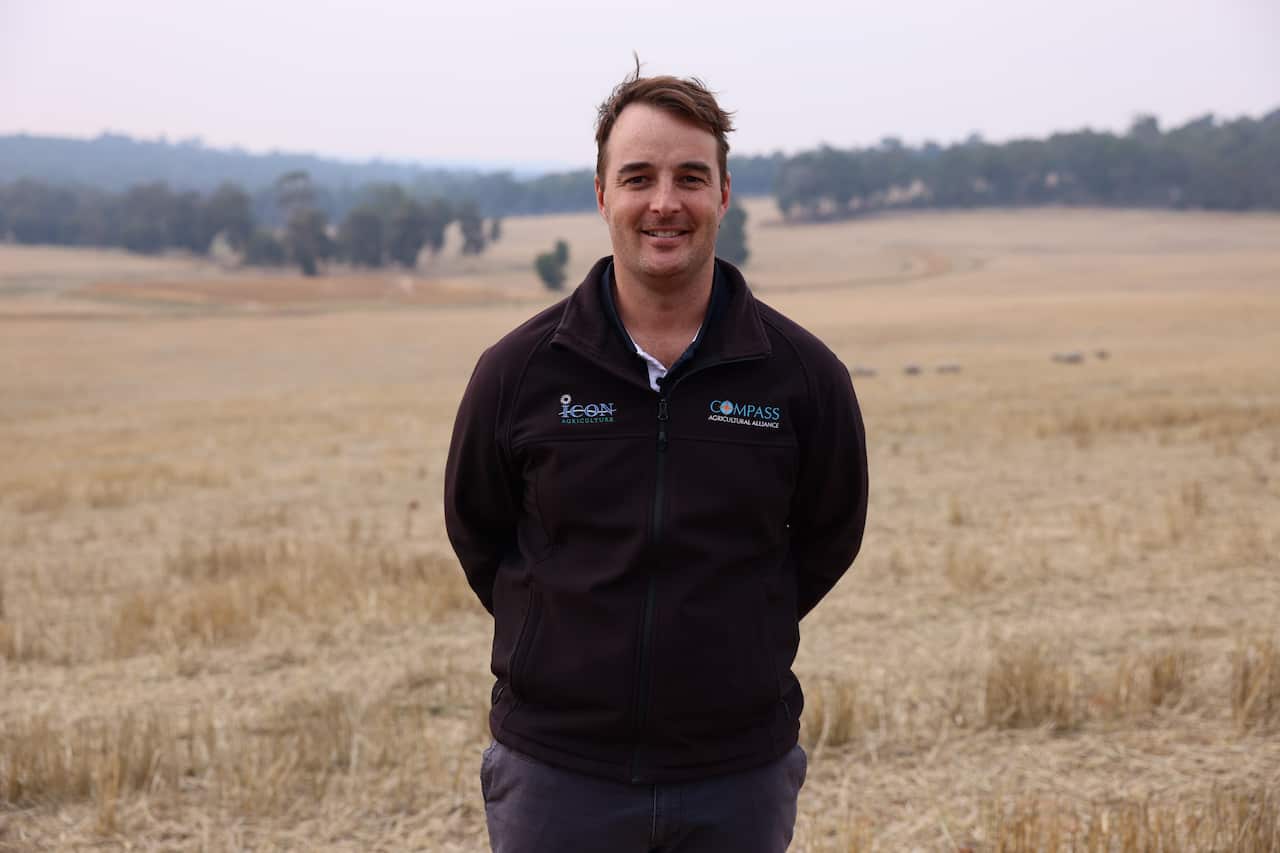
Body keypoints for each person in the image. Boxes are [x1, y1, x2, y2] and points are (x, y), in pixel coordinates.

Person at [444, 65, 868, 853]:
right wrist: (561, 638)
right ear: (603, 195)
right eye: (638, 177)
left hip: (736, 775)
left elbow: (827, 537)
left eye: (690, 177)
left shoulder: (802, 377)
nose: (665, 201)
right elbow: (479, 533)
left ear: (725, 194)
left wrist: (741, 631)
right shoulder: (521, 372)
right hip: (557, 774)